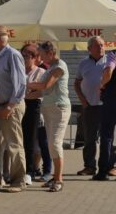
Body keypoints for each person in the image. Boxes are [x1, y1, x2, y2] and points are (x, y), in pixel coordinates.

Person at [0, 24, 26, 193]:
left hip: (11, 106)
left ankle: (18, 181)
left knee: (14, 144)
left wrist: (10, 106)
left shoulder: (13, 55)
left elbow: (20, 83)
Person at [28, 41, 71, 192]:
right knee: (52, 144)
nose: (39, 57)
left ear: (51, 53)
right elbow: (42, 92)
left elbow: (45, 85)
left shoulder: (59, 66)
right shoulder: (49, 67)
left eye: (42, 54)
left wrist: (26, 83)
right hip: (47, 108)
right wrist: (23, 96)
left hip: (59, 108)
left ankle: (59, 180)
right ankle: (55, 176)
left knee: (54, 143)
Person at [74, 36, 106, 176]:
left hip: (107, 106)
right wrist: (83, 100)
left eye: (102, 45)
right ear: (89, 49)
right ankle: (90, 166)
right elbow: (76, 83)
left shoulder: (110, 61)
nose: (101, 47)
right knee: (89, 139)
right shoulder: (83, 63)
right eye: (97, 45)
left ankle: (109, 166)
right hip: (90, 106)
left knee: (108, 138)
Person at [20, 44, 46, 185]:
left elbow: (41, 92)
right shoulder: (18, 71)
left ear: (35, 58)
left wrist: (24, 95)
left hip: (33, 107)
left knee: (30, 140)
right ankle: (16, 170)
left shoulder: (41, 72)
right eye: (22, 55)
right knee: (18, 139)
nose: (24, 58)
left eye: (27, 56)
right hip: (18, 106)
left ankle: (29, 171)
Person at [95, 48, 116, 180]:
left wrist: (101, 85)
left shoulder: (113, 54)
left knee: (107, 136)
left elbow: (108, 71)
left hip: (112, 100)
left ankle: (103, 171)